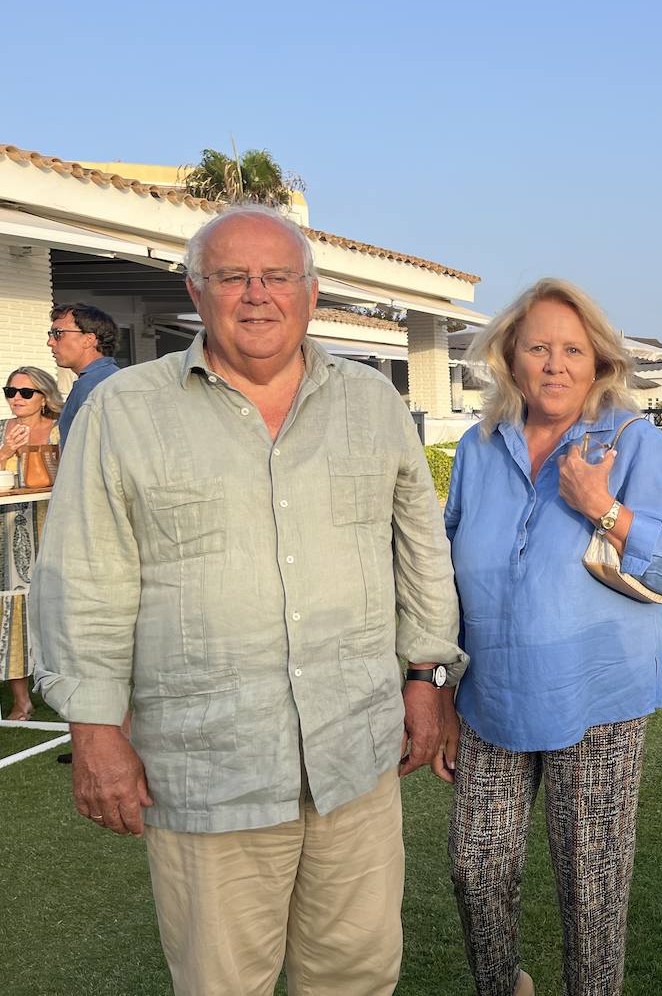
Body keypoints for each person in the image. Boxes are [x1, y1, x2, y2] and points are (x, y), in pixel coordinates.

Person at [31, 204, 464, 996]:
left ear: (312, 290)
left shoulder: (372, 404)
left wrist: (429, 677)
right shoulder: (127, 413)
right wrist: (94, 730)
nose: (257, 293)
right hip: (208, 769)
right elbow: (82, 577)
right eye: (233, 276)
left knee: (359, 973)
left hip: (355, 760)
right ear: (199, 290)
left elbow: (421, 553)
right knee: (222, 982)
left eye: (278, 275)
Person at [443, 278, 662, 996]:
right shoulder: (477, 447)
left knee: (591, 893)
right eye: (538, 347)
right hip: (490, 697)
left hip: (598, 703)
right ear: (510, 358)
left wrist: (605, 508)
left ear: (598, 363)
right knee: (475, 867)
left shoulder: (632, 443)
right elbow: (444, 569)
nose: (555, 364)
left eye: (572, 349)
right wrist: (437, 685)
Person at [1, 366, 62, 719]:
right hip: (8, 530)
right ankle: (21, 701)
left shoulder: (58, 430)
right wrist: (7, 449)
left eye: (26, 392)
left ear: (44, 397)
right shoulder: (2, 431)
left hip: (51, 526)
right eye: (10, 392)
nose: (17, 399)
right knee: (11, 611)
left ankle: (62, 688)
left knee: (56, 607)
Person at [47, 302, 120, 446]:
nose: (50, 342)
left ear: (89, 339)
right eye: (51, 334)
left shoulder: (95, 385)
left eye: (58, 334)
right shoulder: (108, 377)